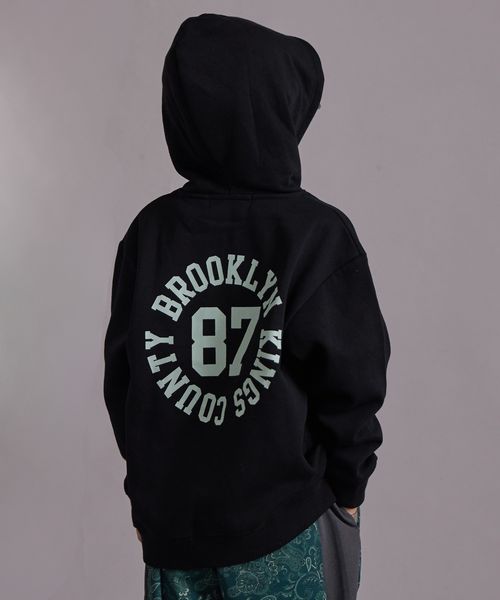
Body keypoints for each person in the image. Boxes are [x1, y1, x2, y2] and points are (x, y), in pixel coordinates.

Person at [103, 12, 391, 600]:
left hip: (174, 534)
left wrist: (147, 497)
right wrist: (350, 488)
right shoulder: (317, 233)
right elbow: (354, 380)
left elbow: (126, 382)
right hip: (287, 528)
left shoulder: (149, 233)